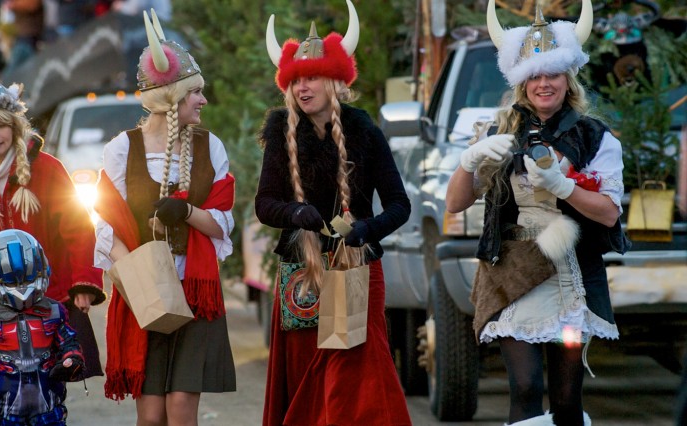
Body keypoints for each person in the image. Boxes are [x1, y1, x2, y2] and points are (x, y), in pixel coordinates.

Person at [445, 1, 627, 424]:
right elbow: (455, 203)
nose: (544, 83)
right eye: (534, 76)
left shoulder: (596, 138)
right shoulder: (497, 132)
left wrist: (566, 187)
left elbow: (608, 215)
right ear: (521, 82)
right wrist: (469, 161)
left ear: (568, 79)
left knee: (565, 399)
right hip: (513, 276)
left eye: (553, 74)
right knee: (524, 388)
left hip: (570, 278)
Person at [255, 4, 412, 424]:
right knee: (308, 378)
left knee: (355, 382)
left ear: (334, 82)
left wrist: (366, 230)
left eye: (312, 78)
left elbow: (400, 206)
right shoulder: (279, 132)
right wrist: (297, 213)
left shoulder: (364, 131)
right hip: (303, 274)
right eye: (296, 81)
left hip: (357, 270)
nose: (303, 88)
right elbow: (265, 205)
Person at [93, 10, 236, 424]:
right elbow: (105, 226)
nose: (203, 101)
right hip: (144, 293)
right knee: (152, 414)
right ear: (173, 97)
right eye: (195, 93)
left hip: (195, 288)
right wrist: (140, 279)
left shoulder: (211, 148)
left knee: (180, 410)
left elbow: (222, 224)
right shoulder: (121, 150)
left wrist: (188, 211)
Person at [0, 78, 106, 379]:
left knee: (51, 388)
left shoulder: (47, 169)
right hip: (3, 309)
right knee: (10, 385)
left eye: (1, 125)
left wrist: (84, 282)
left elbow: (79, 229)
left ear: (15, 128)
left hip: (53, 300)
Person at [0, 229, 85, 426]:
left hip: (50, 410)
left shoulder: (55, 311)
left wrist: (72, 360)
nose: (21, 288)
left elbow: (70, 343)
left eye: (27, 279)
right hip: (6, 412)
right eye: (13, 281)